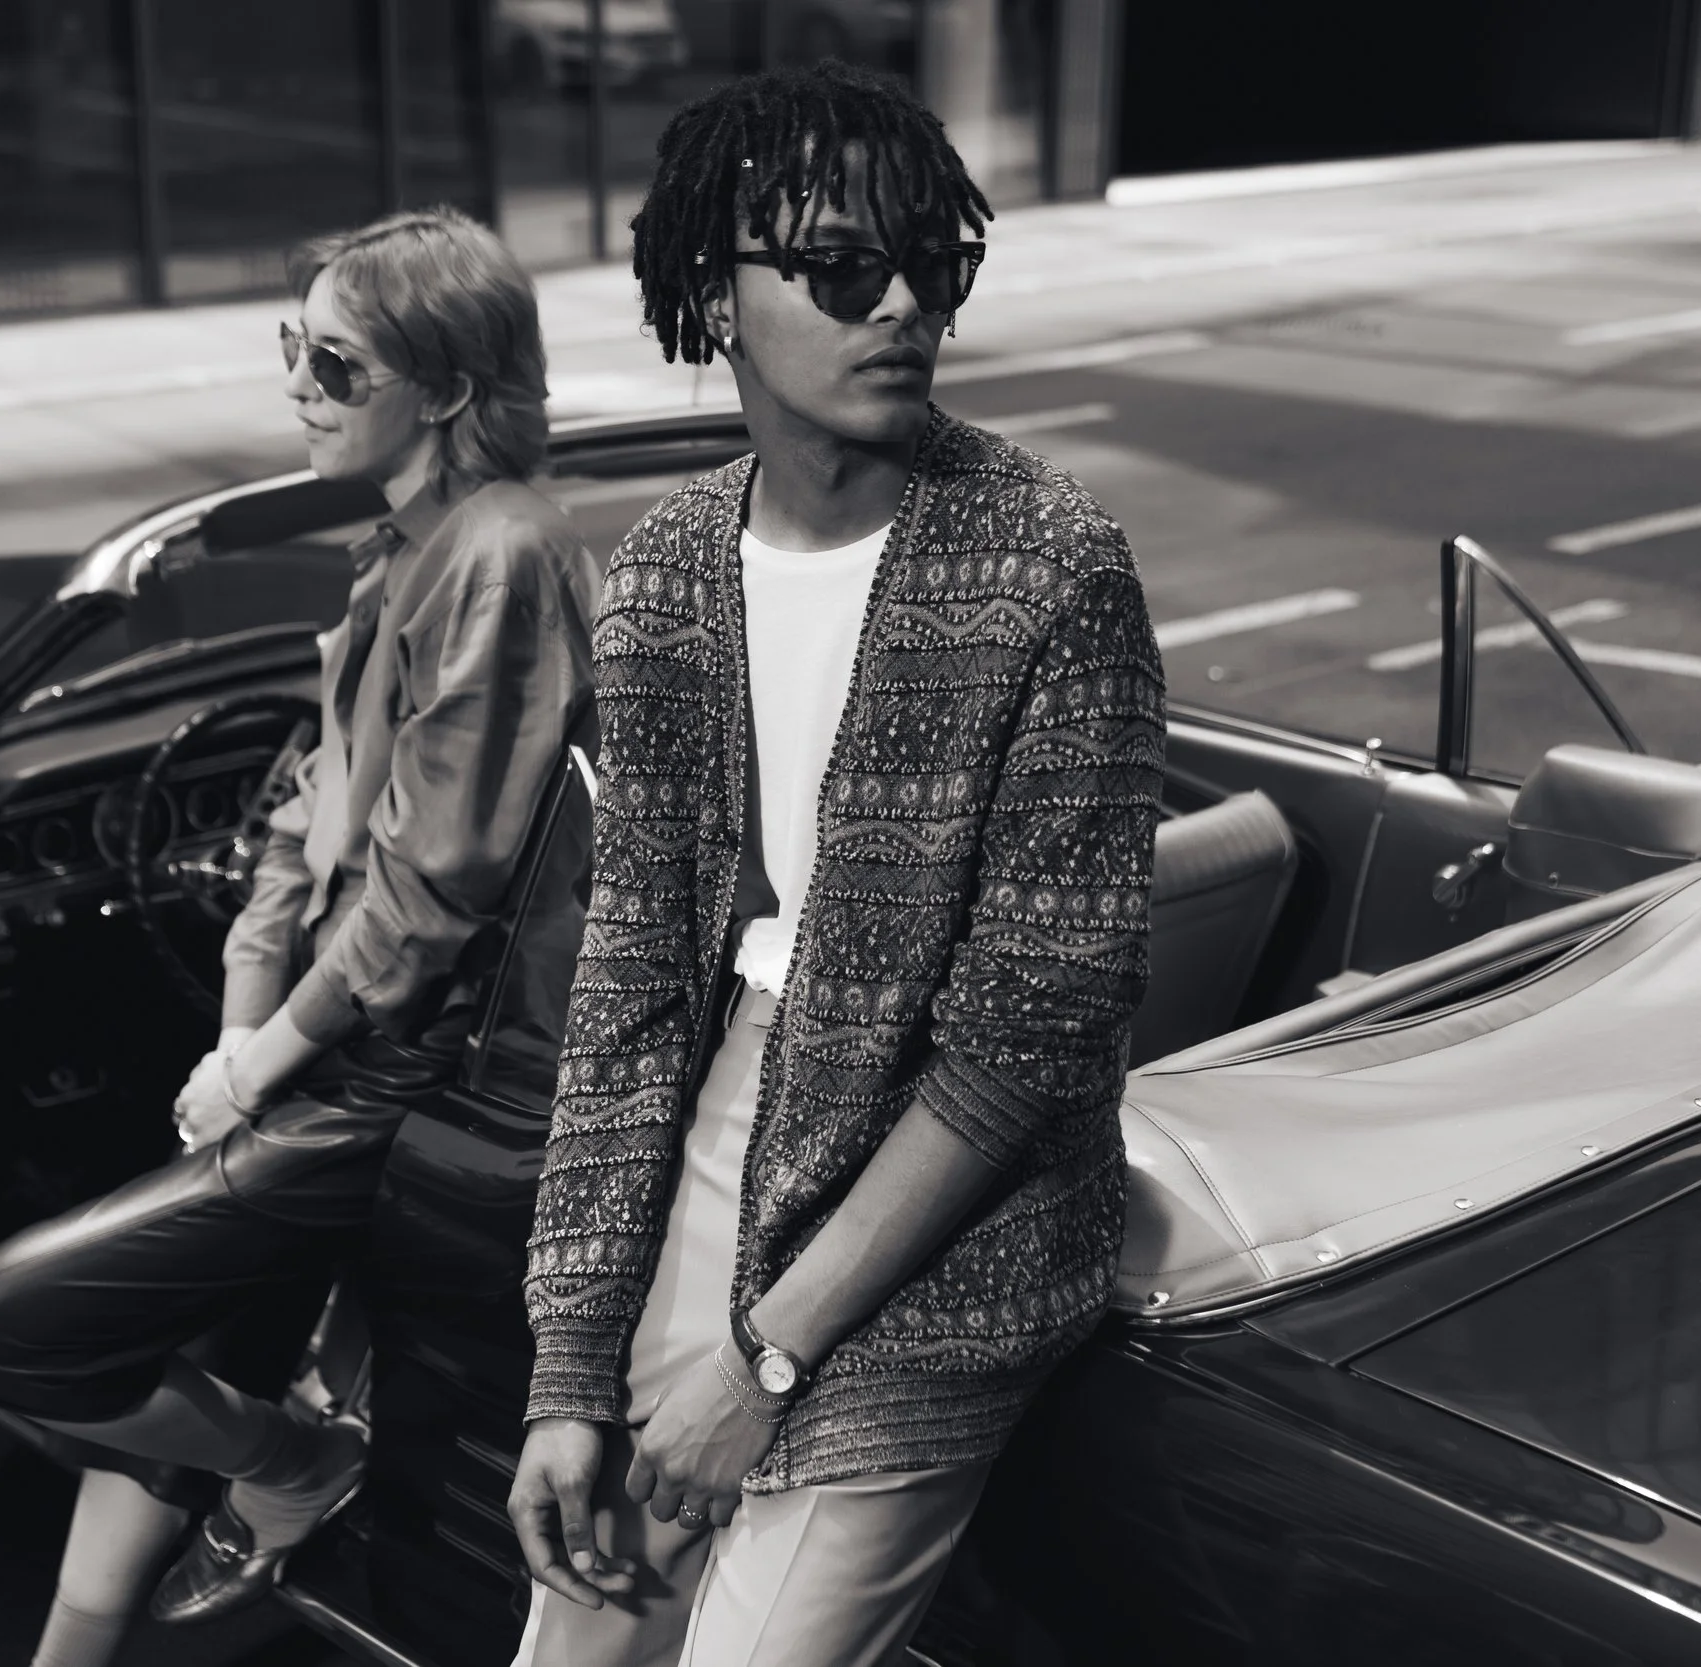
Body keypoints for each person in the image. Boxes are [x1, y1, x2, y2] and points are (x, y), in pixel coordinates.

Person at [508, 59, 1164, 1667]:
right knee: (572, 1636)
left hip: (961, 1216)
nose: (901, 310)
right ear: (718, 300)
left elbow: (1033, 1037)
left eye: (929, 266)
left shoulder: (1051, 565)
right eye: (839, 270)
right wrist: (572, 1367)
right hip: (740, 1115)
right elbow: (635, 987)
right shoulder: (667, 573)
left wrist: (769, 1360)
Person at [0, 206, 600, 1665]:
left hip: (406, 1071)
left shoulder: (500, 553)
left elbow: (435, 888)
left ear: (452, 388)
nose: (297, 383)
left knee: (3, 1326)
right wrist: (241, 1017)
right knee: (184, 1333)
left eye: (337, 363)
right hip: (317, 1042)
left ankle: (292, 1465)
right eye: (296, 348)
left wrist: (266, 1056)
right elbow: (307, 814)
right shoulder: (400, 548)